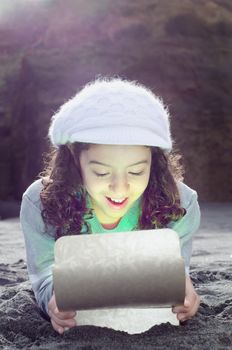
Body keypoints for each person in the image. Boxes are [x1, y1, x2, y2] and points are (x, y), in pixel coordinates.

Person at [20, 77, 201, 335]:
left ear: (155, 160)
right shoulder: (41, 202)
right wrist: (55, 302)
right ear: (74, 160)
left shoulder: (179, 204)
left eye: (137, 171)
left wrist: (182, 287)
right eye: (102, 173)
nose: (120, 188)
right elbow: (44, 276)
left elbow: (176, 269)